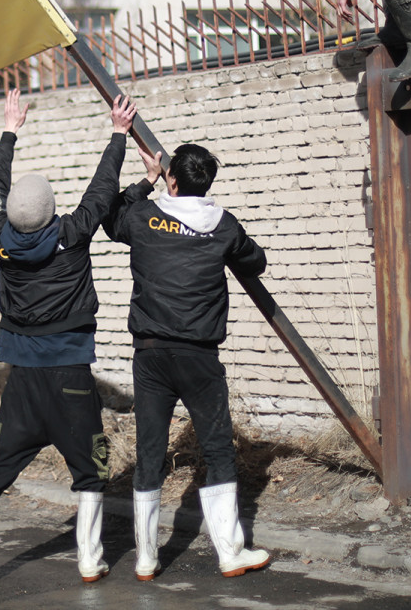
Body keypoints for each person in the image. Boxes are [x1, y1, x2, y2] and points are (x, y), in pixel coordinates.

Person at [0, 89, 137, 588]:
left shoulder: (0, 239)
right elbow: (101, 193)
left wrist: (10, 129)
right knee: (91, 469)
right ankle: (89, 560)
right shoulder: (72, 234)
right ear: (52, 211)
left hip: (21, 380)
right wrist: (118, 134)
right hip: (70, 377)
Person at [105, 143, 271, 580]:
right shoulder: (224, 225)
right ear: (208, 182)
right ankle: (230, 552)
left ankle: (146, 557)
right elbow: (257, 261)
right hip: (199, 356)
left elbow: (111, 218)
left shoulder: (143, 219)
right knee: (217, 451)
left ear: (172, 179)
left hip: (152, 355)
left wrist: (147, 179)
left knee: (150, 453)